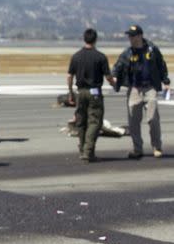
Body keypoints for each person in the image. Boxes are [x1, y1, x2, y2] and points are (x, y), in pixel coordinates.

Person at [112, 25, 170, 159]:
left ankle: (157, 147)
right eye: (129, 36)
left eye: (132, 35)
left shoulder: (152, 49)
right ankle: (137, 149)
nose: (130, 38)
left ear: (140, 36)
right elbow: (118, 66)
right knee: (133, 121)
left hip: (150, 88)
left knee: (153, 119)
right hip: (134, 89)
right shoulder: (128, 52)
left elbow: (161, 65)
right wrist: (113, 77)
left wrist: (165, 81)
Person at [66, 28, 115, 162]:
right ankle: (88, 150)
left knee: (81, 122)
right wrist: (115, 84)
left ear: (84, 39)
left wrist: (70, 92)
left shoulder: (76, 56)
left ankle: (84, 150)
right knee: (95, 122)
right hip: (94, 92)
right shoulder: (100, 56)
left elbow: (69, 76)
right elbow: (108, 76)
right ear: (96, 39)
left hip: (80, 92)